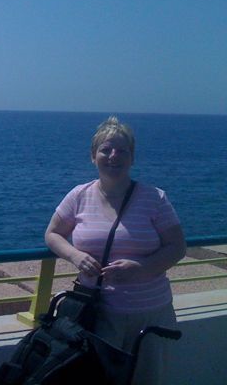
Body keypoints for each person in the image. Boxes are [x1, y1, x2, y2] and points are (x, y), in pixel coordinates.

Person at [44, 116, 186, 385]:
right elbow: (52, 234)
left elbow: (177, 247)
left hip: (151, 314)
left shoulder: (155, 198)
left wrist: (141, 268)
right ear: (93, 156)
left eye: (122, 151)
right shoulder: (79, 195)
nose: (113, 156)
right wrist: (75, 255)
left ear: (132, 158)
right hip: (97, 313)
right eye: (106, 149)